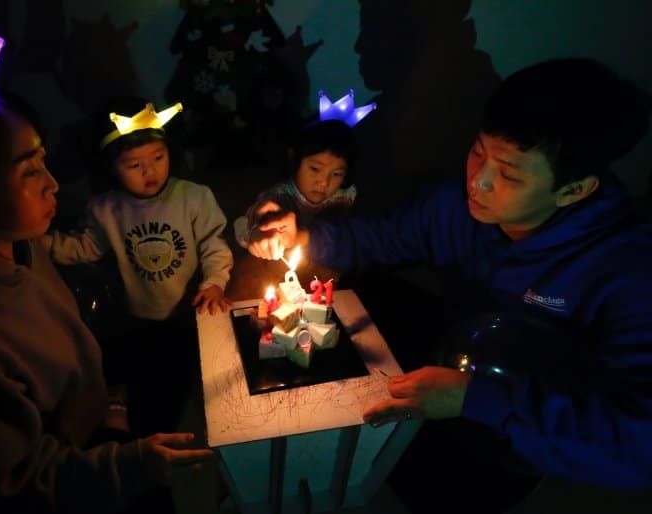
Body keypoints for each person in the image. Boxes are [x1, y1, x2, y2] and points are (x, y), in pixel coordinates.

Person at [246, 58, 652, 511]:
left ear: (573, 190)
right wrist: (302, 236)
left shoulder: (627, 270)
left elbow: (640, 443)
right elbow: (385, 237)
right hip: (456, 346)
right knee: (359, 303)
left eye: (509, 173)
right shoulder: (455, 205)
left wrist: (477, 400)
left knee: (441, 489)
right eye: (478, 151)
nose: (477, 181)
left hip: (524, 414)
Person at [0, 85, 213, 514]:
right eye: (29, 170)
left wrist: (112, 407)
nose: (53, 184)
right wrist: (126, 464)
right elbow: (21, 480)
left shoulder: (22, 245)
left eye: (44, 160)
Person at [44, 97, 233, 433]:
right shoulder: (107, 209)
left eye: (158, 158)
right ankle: (122, 410)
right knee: (126, 365)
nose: (150, 171)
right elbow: (88, 246)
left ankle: (158, 427)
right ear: (112, 168)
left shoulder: (193, 197)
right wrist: (41, 244)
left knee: (171, 384)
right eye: (134, 165)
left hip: (186, 315)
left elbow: (214, 246)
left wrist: (214, 283)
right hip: (135, 315)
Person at [226, 118, 358, 300]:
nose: (324, 182)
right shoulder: (278, 197)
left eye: (336, 174)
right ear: (295, 160)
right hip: (275, 270)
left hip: (323, 273)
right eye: (315, 169)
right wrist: (255, 234)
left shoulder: (346, 196)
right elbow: (244, 224)